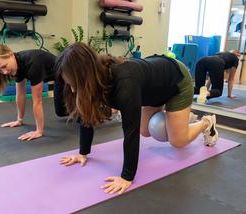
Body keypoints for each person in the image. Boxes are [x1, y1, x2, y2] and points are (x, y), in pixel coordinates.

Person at [55, 42, 218, 195]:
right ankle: (179, 119)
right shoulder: (96, 78)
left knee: (178, 141)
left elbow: (130, 133)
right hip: (154, 88)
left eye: (73, 82)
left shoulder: (124, 85)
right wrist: (83, 153)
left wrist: (127, 177)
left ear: (85, 75)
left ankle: (206, 122)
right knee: (145, 131)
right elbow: (87, 114)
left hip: (176, 81)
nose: (72, 89)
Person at [0, 44, 66, 141]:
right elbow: (20, 94)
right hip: (59, 79)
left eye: (4, 66)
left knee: (82, 113)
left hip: (71, 77)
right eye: (0, 71)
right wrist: (19, 120)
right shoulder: (17, 65)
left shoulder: (33, 64)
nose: (5, 72)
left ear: (10, 54)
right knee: (61, 112)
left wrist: (39, 131)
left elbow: (37, 101)